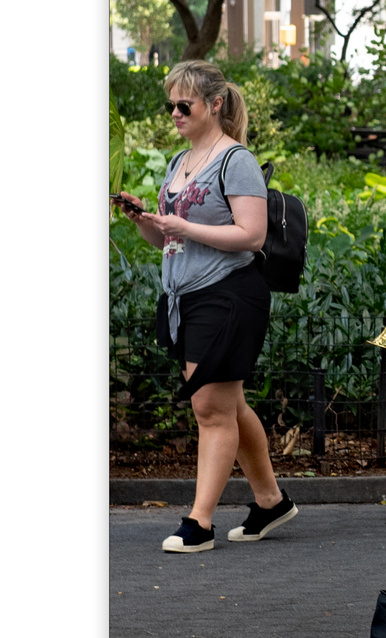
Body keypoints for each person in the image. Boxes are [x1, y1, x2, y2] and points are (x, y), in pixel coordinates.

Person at [114, 61, 297, 554]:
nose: (174, 113)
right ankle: (271, 501)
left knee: (210, 407)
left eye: (184, 105)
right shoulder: (180, 162)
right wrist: (143, 219)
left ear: (214, 104)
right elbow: (166, 240)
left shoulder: (234, 159)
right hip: (186, 296)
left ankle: (200, 522)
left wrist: (185, 228)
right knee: (229, 404)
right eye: (170, 104)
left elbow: (252, 235)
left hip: (228, 293)